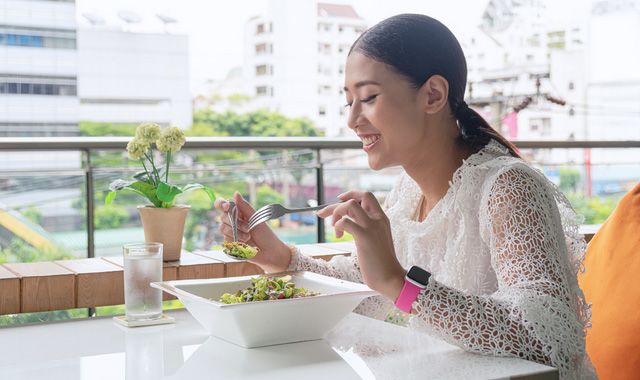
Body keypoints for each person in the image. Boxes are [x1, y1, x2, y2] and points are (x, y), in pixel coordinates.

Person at [214, 14, 597, 379]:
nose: (352, 120)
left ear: (432, 95)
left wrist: (401, 283)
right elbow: (365, 293)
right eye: (349, 101)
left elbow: (551, 340)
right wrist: (279, 256)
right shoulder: (408, 191)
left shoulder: (509, 188)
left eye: (368, 97)